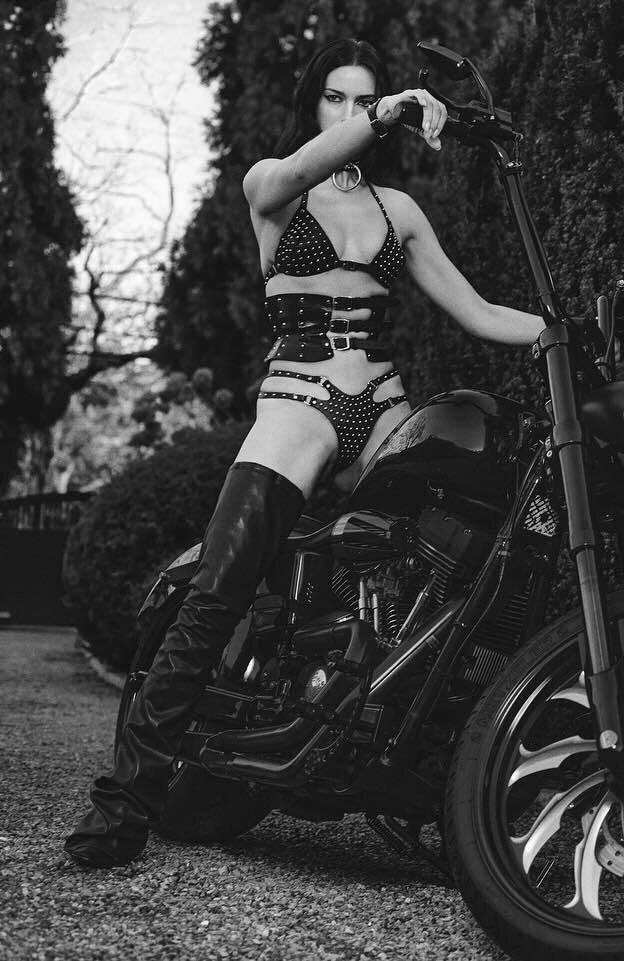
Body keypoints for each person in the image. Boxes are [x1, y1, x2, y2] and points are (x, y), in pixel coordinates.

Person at [64, 38, 545, 868]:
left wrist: (560, 332)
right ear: (312, 105)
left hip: (382, 402)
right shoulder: (274, 185)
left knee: (457, 560)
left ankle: (407, 749)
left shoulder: (400, 211)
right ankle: (124, 799)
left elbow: (475, 310)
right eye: (337, 98)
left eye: (364, 98)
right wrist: (386, 113)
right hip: (300, 400)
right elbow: (299, 167)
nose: (352, 112)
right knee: (220, 585)